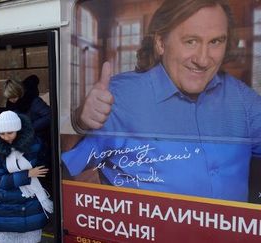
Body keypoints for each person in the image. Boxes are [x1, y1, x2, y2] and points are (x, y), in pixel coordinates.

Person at [62, 0, 261, 202]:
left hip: (233, 233)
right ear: (160, 43)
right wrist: (79, 120)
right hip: (147, 232)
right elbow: (67, 165)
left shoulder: (243, 99)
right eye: (191, 41)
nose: (203, 60)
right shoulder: (120, 96)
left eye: (215, 42)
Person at [0, 111, 53, 243]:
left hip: (30, 205)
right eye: (2, 134)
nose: (6, 137)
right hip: (7, 207)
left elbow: (45, 167)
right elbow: (0, 180)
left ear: (19, 129)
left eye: (10, 132)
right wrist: (28, 174)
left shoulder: (35, 145)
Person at [4, 76, 51, 144]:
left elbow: (49, 115)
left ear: (19, 93)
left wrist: (30, 127)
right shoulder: (11, 105)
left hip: (37, 138)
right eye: (9, 98)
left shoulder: (34, 101)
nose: (11, 100)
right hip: (21, 139)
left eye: (14, 97)